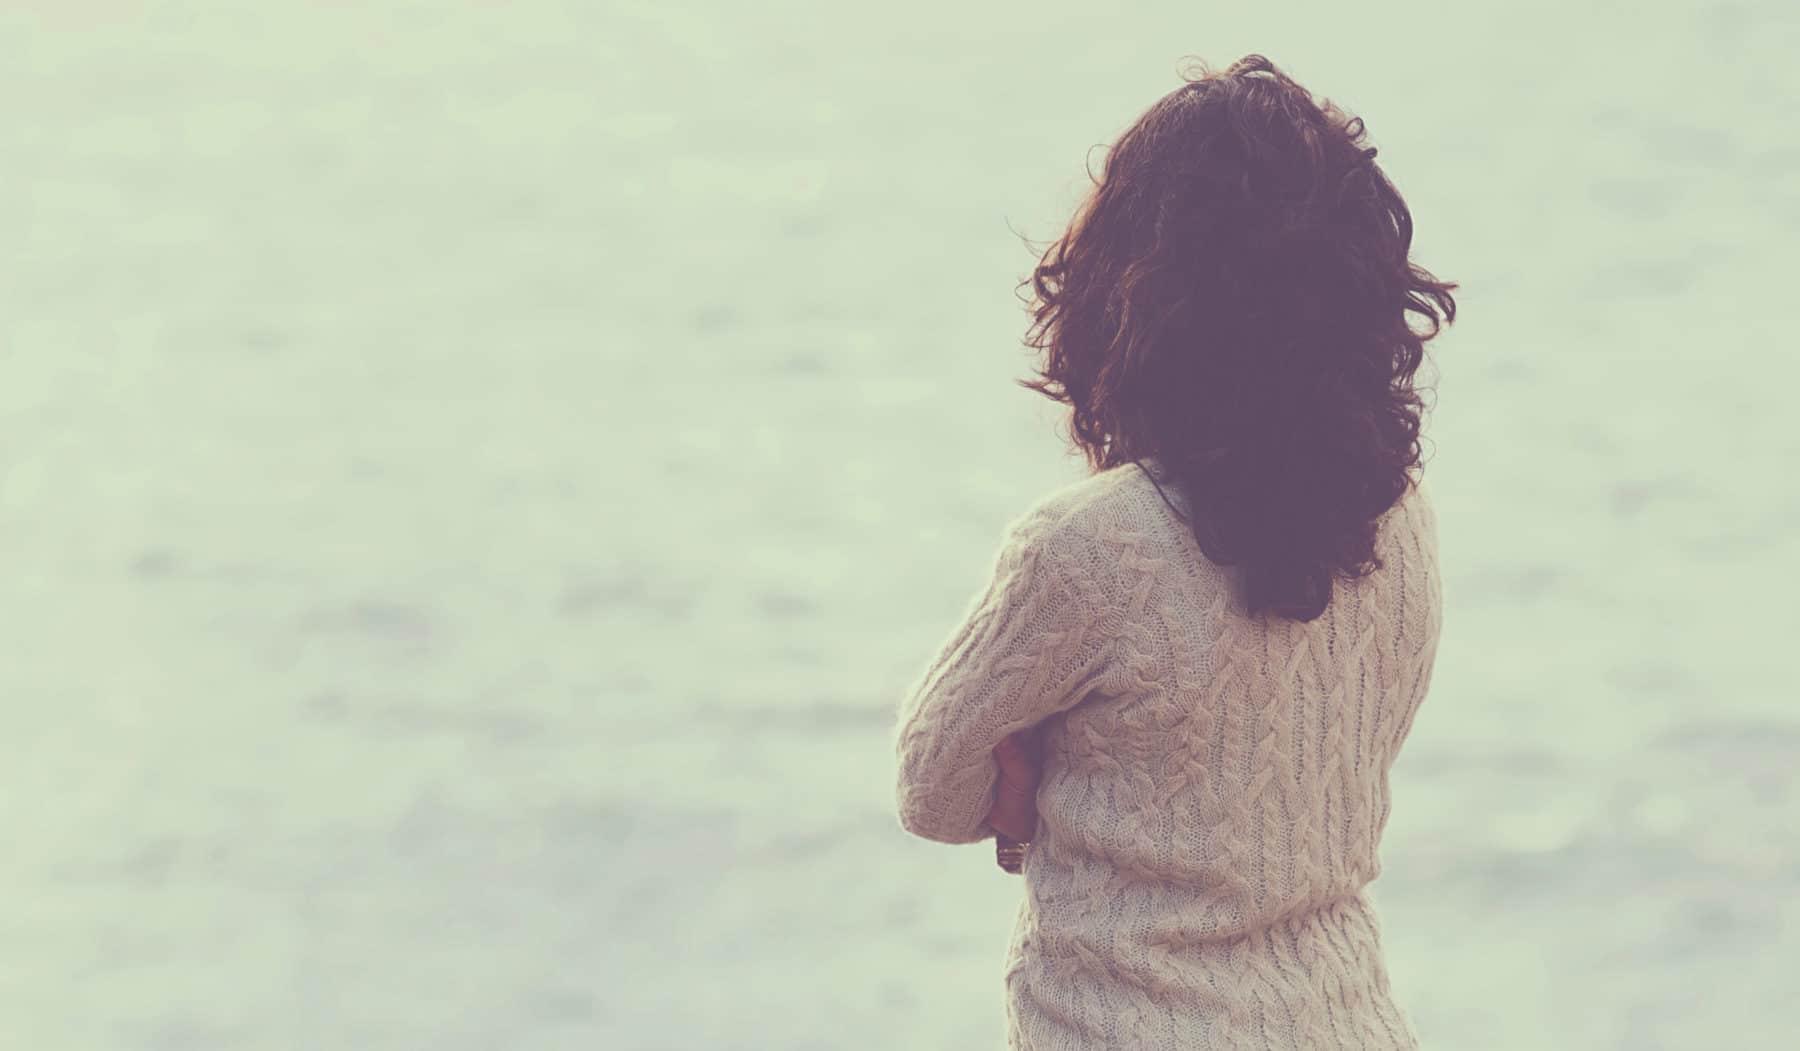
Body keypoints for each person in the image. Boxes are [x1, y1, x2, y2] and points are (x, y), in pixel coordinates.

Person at [891, 53, 1458, 1049]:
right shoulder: (1398, 518)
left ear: (1132, 295)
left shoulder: (1089, 550)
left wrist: (1036, 767)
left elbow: (933, 787)